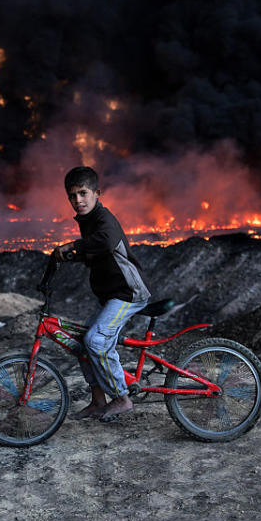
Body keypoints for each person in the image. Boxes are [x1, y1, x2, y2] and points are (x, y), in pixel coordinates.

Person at [52, 166, 151, 422]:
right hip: (112, 295)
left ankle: (121, 397)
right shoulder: (88, 222)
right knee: (83, 343)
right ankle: (98, 401)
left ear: (97, 193)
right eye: (72, 196)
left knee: (96, 341)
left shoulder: (104, 219)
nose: (78, 201)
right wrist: (67, 257)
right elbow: (93, 252)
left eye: (83, 193)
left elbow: (106, 242)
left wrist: (73, 245)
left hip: (128, 293)